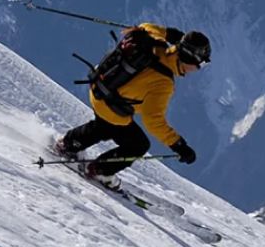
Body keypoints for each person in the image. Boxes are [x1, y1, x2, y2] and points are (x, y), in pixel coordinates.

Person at [53, 24, 211, 190]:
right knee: (138, 144)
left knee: (105, 126)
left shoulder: (156, 43)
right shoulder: (163, 83)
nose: (198, 69)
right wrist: (179, 145)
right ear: (189, 60)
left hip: (98, 87)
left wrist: (172, 34)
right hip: (110, 106)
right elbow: (153, 120)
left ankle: (68, 144)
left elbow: (146, 26)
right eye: (200, 64)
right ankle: (99, 170)